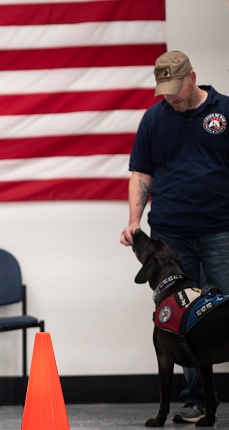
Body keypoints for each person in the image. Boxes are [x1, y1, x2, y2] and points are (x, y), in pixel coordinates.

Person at [120, 50, 229, 424]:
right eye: (163, 90)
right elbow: (141, 174)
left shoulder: (224, 113)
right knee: (179, 321)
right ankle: (197, 400)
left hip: (221, 231)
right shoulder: (154, 120)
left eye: (175, 89)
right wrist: (134, 220)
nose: (170, 97)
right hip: (170, 236)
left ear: (192, 76)